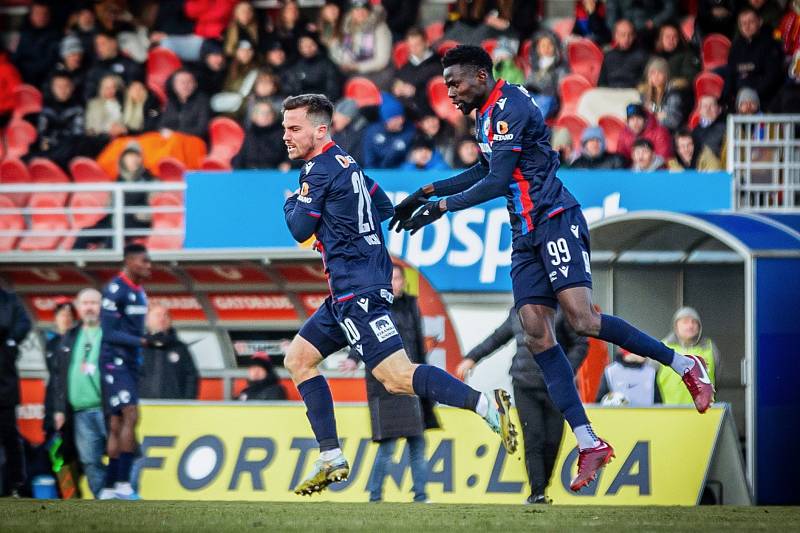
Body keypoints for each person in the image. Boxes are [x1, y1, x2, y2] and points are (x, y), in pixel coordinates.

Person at [391, 45, 714, 491]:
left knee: (581, 320)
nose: (449, 91)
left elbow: (498, 181)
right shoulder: (486, 113)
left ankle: (684, 363)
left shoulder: (509, 107)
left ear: (482, 76)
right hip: (524, 233)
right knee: (535, 330)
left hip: (554, 219)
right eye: (446, 83)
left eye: (455, 82)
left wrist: (441, 207)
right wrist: (424, 190)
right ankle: (589, 442)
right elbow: (484, 169)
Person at [281, 93, 517, 496]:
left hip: (357, 293)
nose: (286, 136)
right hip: (347, 291)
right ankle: (331, 457)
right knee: (298, 359)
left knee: (396, 378)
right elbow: (384, 204)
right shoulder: (347, 162)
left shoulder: (317, 170)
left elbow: (299, 227)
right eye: (285, 128)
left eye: (294, 128)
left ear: (320, 131)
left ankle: (484, 405)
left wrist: (290, 204)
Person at [457, 308, 588, 504]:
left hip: (556, 387)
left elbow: (580, 344)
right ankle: (537, 493)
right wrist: (471, 358)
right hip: (524, 384)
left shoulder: (560, 311)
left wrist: (564, 370)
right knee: (533, 437)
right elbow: (496, 339)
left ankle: (541, 488)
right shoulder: (517, 312)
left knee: (552, 441)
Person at [340, 264, 439, 503]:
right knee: (387, 447)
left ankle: (421, 496)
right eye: (391, 278)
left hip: (410, 379)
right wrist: (353, 359)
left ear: (404, 282)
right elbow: (362, 337)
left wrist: (425, 382)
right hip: (384, 383)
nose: (395, 283)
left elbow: (418, 344)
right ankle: (375, 496)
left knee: (418, 442)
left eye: (398, 278)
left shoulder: (411, 305)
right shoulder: (375, 305)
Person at [98, 243, 153, 500]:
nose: (148, 266)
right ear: (129, 261)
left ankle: (109, 487)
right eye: (143, 261)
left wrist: (150, 338)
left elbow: (132, 329)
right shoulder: (115, 289)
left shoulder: (140, 292)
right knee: (131, 414)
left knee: (117, 422)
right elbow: (109, 333)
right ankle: (122, 482)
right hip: (113, 362)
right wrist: (141, 342)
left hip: (130, 363)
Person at [51, 289, 107, 498]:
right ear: (79, 307)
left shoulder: (110, 332)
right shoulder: (70, 336)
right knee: (90, 461)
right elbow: (59, 376)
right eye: (85, 303)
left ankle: (125, 497)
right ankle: (105, 503)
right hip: (80, 412)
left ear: (102, 306)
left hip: (109, 410)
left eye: (94, 302)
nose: (90, 307)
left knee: (123, 456)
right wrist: (59, 409)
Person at [0, 285, 32, 497]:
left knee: (9, 435)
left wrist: (11, 342)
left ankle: (15, 483)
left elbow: (24, 323)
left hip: (4, 387)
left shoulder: (9, 300)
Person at [724, 8, 784, 109]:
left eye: (751, 22)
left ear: (760, 22)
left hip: (764, 97)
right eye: (743, 23)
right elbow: (731, 74)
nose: (747, 26)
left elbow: (772, 76)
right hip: (740, 95)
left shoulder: (770, 44)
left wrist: (752, 90)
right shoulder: (736, 46)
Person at [658, 307, 719, 405]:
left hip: (703, 411)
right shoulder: (663, 347)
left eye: (694, 322)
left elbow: (718, 377)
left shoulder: (709, 347)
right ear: (675, 325)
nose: (690, 326)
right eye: (685, 322)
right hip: (670, 411)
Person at [139, 304, 199, 400]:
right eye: (157, 315)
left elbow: (191, 377)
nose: (162, 319)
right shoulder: (138, 347)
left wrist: (187, 402)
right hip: (143, 405)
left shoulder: (180, 348)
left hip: (174, 407)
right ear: (147, 320)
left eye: (166, 315)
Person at [329, 1, 393, 87]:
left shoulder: (380, 28)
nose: (360, 13)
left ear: (369, 11)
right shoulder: (347, 27)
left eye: (363, 9)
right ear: (351, 12)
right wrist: (344, 62)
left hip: (377, 74)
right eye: (356, 10)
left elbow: (382, 61)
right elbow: (342, 51)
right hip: (354, 72)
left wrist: (357, 67)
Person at [35, 73, 86, 169]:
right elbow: (42, 132)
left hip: (68, 151)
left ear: (72, 88)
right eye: (59, 87)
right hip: (49, 148)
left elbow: (77, 134)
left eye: (66, 86)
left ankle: (49, 165)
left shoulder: (77, 109)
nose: (62, 90)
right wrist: (45, 141)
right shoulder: (46, 109)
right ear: (52, 88)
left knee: (74, 143)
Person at [391, 27, 442, 119]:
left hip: (428, 113)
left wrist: (415, 92)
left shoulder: (437, 64)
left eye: (417, 45)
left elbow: (439, 91)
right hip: (406, 109)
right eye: (410, 46)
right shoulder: (410, 62)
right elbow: (398, 76)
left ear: (426, 43)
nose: (413, 49)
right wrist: (396, 85)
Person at [43, 297, 75, 440]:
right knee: (51, 441)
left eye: (69, 316)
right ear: (55, 318)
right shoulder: (51, 343)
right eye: (62, 315)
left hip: (72, 398)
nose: (65, 319)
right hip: (52, 398)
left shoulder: (77, 340)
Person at [84, 31, 144, 102]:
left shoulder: (129, 64)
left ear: (113, 43)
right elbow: (89, 95)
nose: (99, 48)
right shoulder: (94, 68)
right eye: (97, 45)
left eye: (103, 44)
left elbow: (136, 89)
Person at [12, 1, 60, 87]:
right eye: (37, 13)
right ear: (31, 15)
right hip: (21, 80)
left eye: (45, 14)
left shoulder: (55, 36)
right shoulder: (22, 34)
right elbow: (15, 58)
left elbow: (49, 62)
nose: (41, 17)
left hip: (45, 82)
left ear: (49, 16)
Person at [361, 93, 416, 169]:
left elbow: (410, 159)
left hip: (400, 173)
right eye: (395, 119)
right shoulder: (372, 132)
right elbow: (369, 160)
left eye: (402, 117)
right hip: (376, 173)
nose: (401, 121)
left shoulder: (410, 131)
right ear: (386, 120)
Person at [282, 33, 342, 102]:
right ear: (300, 48)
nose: (308, 48)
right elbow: (292, 91)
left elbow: (333, 90)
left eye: (311, 45)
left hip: (325, 103)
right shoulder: (295, 66)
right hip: (302, 104)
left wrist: (320, 103)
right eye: (305, 46)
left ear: (316, 45)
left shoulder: (328, 64)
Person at [233, 101, 290, 170]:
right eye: (262, 113)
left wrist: (288, 163)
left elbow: (295, 155)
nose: (265, 116)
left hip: (274, 173)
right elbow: (240, 157)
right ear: (254, 116)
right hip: (251, 174)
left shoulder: (284, 135)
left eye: (269, 113)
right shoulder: (249, 134)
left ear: (274, 116)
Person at [638, 57, 689, 132]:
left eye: (660, 73)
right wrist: (659, 114)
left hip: (670, 133)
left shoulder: (673, 93)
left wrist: (652, 113)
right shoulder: (644, 94)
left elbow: (673, 122)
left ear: (666, 76)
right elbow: (641, 119)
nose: (656, 76)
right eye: (652, 73)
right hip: (650, 132)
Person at [524, 32, 568, 120]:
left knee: (544, 101)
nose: (546, 48)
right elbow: (528, 82)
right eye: (542, 46)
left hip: (550, 99)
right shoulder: (535, 66)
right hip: (534, 97)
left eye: (550, 45)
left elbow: (561, 89)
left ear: (556, 47)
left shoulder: (560, 67)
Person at [595, 349, 661, 406]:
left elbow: (659, 402)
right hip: (618, 419)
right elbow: (599, 402)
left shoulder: (651, 372)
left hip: (647, 418)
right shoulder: (611, 371)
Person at [597, 20, 649, 89]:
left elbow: (644, 82)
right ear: (616, 36)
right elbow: (601, 83)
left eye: (630, 35)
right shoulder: (608, 56)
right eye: (623, 35)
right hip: (610, 94)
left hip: (632, 94)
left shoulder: (642, 56)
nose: (626, 39)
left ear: (634, 36)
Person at [160, 69, 210, 138]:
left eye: (189, 82)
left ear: (195, 84)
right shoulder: (171, 101)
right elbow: (163, 124)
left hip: (193, 140)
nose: (185, 85)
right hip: (172, 138)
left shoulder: (202, 101)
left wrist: (175, 133)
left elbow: (202, 130)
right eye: (181, 82)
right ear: (174, 85)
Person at [653, 22, 700, 87]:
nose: (671, 40)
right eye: (667, 36)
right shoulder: (654, 56)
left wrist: (671, 83)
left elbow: (690, 78)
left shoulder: (687, 55)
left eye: (675, 37)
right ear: (660, 39)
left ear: (679, 39)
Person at [85, 74, 126, 139]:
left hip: (121, 138)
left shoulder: (123, 103)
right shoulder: (94, 104)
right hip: (101, 139)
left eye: (113, 87)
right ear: (101, 88)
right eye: (107, 87)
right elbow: (91, 127)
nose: (110, 90)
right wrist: (109, 128)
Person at [331, 98, 367, 163]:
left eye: (338, 117)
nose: (333, 120)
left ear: (348, 119)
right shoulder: (338, 133)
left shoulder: (362, 133)